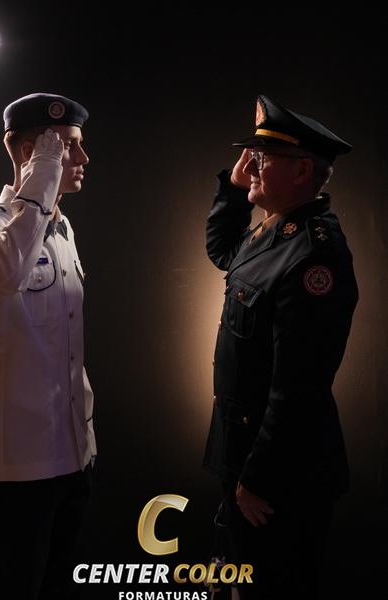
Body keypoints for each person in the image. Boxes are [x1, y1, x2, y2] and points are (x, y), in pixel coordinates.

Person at [203, 95, 358, 599]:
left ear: (301, 171)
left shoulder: (314, 254)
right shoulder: (275, 231)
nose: (252, 167)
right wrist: (235, 190)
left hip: (281, 477)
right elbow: (223, 252)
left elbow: (299, 386)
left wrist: (257, 478)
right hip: (244, 453)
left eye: (263, 158)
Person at [0, 92, 97, 599]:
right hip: (17, 462)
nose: (82, 157)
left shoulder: (63, 229)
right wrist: (42, 173)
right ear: (28, 152)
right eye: (67, 145)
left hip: (74, 453)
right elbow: (9, 272)